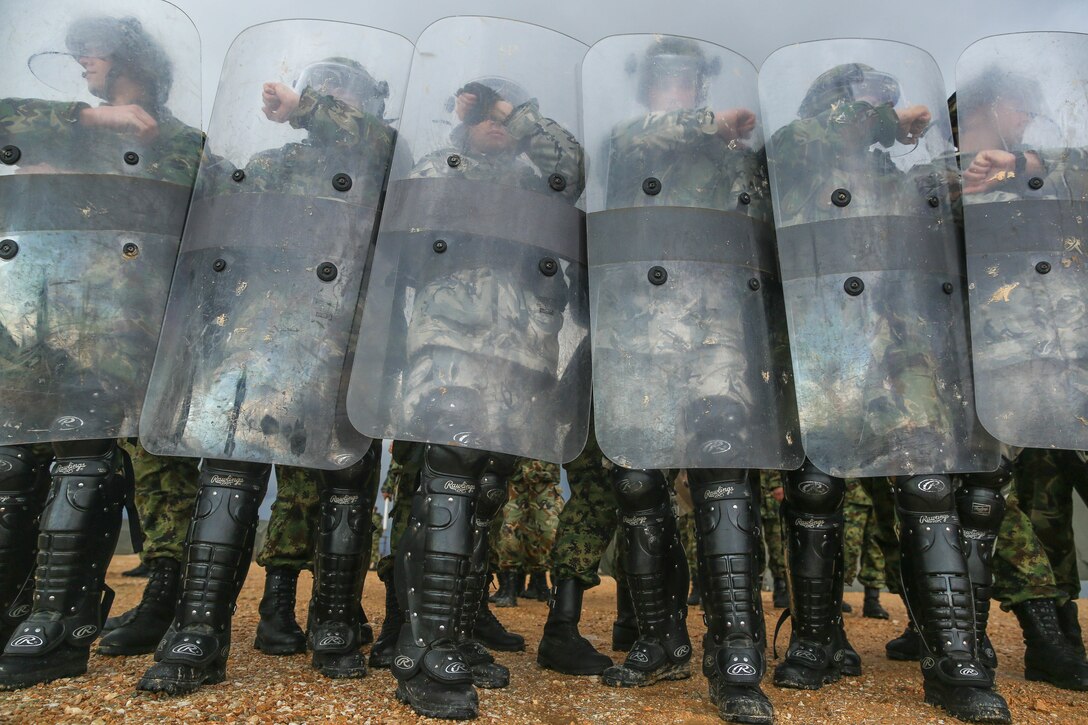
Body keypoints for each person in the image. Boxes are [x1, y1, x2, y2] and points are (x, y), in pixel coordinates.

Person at [134, 48, 400, 694]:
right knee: (230, 471)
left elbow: (378, 146)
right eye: (320, 88)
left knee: (346, 475)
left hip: (344, 341)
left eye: (343, 89)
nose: (330, 96)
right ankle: (200, 630)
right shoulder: (273, 166)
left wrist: (310, 107)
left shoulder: (382, 158)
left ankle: (334, 621)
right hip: (261, 337)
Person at [763, 56, 1009, 723]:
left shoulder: (900, 179)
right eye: (869, 101)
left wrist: (974, 180)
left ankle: (953, 655)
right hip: (824, 351)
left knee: (930, 487)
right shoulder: (795, 161)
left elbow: (941, 197)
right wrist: (878, 116)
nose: (884, 113)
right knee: (816, 488)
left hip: (900, 352)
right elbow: (794, 142)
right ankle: (816, 639)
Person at [584, 36, 796, 724]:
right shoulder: (628, 139)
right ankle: (659, 638)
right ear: (648, 89)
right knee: (639, 481)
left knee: (725, 474)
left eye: (688, 82)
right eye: (665, 81)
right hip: (640, 328)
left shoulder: (738, 158)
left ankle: (737, 655)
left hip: (717, 331)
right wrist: (711, 125)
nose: (679, 90)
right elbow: (636, 147)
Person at [380, 51, 586, 716]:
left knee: (490, 487)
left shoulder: (536, 177)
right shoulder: (438, 167)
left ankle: (460, 634)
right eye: (482, 111)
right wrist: (473, 131)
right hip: (450, 341)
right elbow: (407, 238)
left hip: (522, 348)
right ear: (460, 121)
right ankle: (423, 646)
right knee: (448, 472)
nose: (496, 124)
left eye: (506, 112)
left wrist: (514, 116)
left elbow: (571, 169)